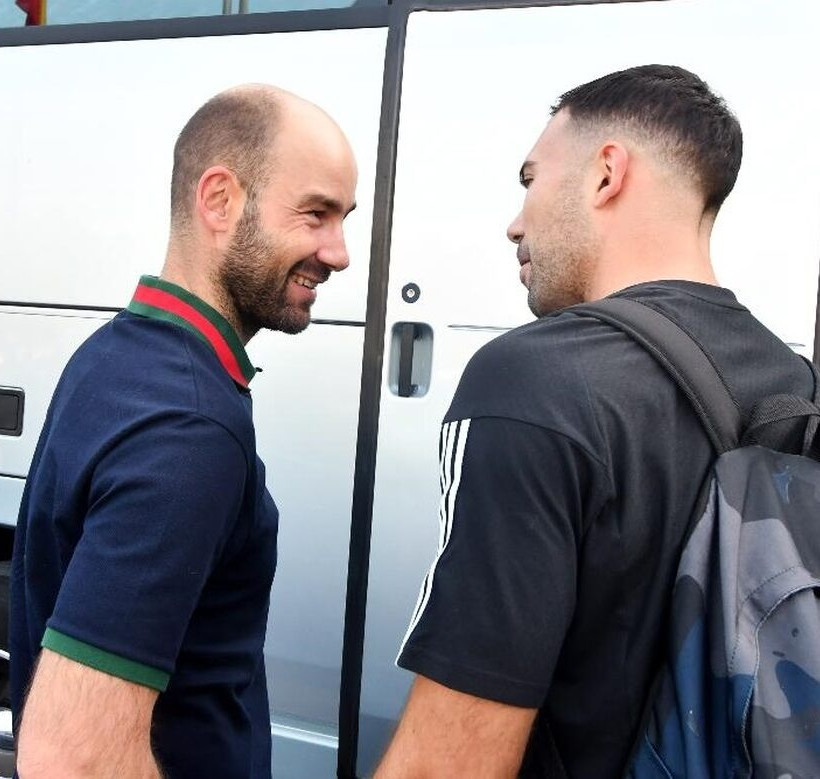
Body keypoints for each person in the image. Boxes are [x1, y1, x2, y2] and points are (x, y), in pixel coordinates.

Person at [375, 64, 815, 778]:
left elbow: (450, 764)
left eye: (530, 180)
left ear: (607, 174)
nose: (515, 223)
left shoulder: (534, 379)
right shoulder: (791, 380)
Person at [10, 84, 357, 778]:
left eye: (343, 219)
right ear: (220, 200)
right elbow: (71, 759)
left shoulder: (116, 352)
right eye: (316, 214)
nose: (340, 252)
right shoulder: (190, 428)